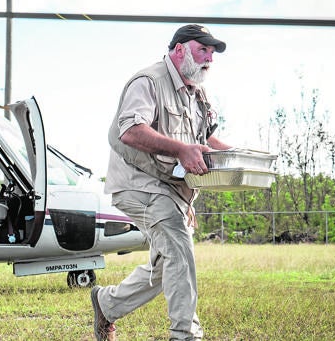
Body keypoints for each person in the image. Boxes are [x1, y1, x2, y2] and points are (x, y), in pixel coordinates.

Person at [92, 24, 233, 340]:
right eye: (203, 49)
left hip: (174, 191)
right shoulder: (148, 81)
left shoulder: (197, 93)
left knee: (164, 266)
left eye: (212, 53)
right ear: (180, 49)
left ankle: (106, 304)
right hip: (138, 184)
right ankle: (185, 334)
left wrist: (239, 156)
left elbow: (205, 139)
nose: (209, 58)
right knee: (179, 249)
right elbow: (129, 130)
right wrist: (181, 149)